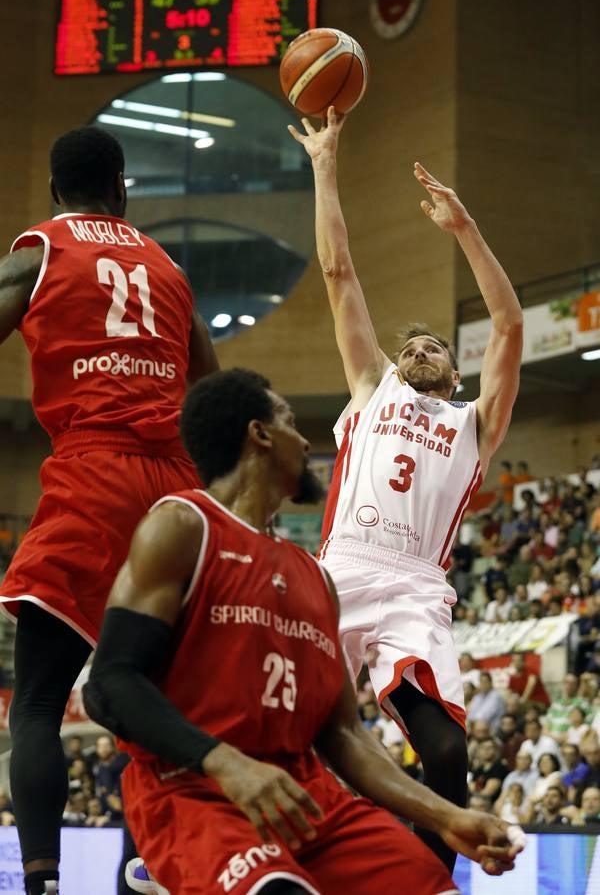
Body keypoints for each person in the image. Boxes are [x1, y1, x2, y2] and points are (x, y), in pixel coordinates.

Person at [83, 369, 522, 895]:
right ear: (260, 435)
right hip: (195, 790)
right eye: (290, 423)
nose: (308, 442)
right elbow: (108, 685)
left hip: (306, 797)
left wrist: (446, 816)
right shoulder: (182, 526)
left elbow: (343, 735)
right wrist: (227, 764)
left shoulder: (315, 579)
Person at [287, 107, 522, 871]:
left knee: (447, 753)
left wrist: (465, 230)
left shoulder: (475, 422)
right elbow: (338, 272)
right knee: (276, 719)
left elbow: (510, 326)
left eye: (435, 348)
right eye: (411, 345)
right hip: (342, 568)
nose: (419, 350)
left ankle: (427, 882)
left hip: (417, 586)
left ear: (454, 373)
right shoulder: (372, 385)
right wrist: (324, 164)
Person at [0, 126, 218, 895]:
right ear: (122, 188)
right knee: (165, 700)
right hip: (178, 488)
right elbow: (214, 394)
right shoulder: (169, 268)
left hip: (93, 472)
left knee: (36, 703)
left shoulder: (38, 252)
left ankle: (42, 884)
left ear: (55, 191)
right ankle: (173, 863)